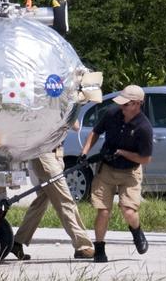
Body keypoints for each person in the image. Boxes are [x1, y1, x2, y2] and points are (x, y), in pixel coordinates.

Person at [81, 84, 153, 263]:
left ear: (137, 104)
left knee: (128, 211)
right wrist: (84, 153)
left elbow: (145, 159)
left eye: (125, 104)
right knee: (103, 211)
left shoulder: (144, 127)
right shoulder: (112, 113)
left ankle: (136, 231)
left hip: (130, 172)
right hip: (107, 169)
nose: (121, 107)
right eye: (121, 103)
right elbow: (95, 132)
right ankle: (99, 248)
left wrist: (122, 152)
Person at [11, 131, 95, 261]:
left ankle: (17, 242)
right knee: (65, 201)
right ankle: (82, 246)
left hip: (56, 154)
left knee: (41, 203)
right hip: (44, 154)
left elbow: (76, 126)